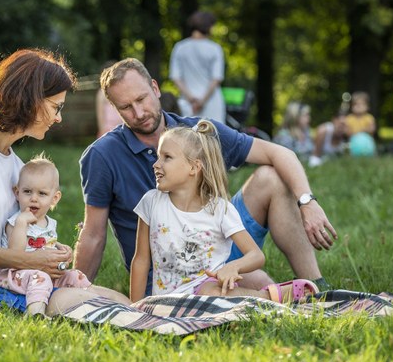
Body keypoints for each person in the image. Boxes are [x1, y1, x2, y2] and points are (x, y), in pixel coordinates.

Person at [75, 58, 336, 294]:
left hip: (216, 244)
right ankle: (286, 295)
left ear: (155, 89)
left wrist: (307, 202)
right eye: (126, 107)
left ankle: (318, 287)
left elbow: (281, 153)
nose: (139, 113)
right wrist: (77, 289)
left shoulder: (198, 131)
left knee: (271, 177)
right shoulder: (103, 155)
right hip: (167, 270)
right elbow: (93, 234)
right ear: (114, 109)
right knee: (258, 283)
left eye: (142, 99)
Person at [0, 49, 130, 316]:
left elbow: (13, 236)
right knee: (93, 304)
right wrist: (28, 260)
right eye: (56, 107)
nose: (58, 118)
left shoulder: (17, 168)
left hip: (12, 284)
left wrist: (48, 252)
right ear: (31, 99)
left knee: (113, 298)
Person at [130, 120, 320, 304]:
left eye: (167, 157)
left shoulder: (220, 209)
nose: (156, 164)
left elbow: (256, 255)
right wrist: (135, 308)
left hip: (206, 291)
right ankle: (260, 295)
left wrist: (232, 267)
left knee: (211, 293)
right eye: (157, 156)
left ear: (194, 167)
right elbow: (140, 260)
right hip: (167, 302)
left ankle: (270, 297)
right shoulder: (151, 203)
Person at [0, 156, 94, 316]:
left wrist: (60, 250)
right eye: (27, 192)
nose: (33, 198)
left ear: (54, 198)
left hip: (43, 274)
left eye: (42, 193)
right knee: (40, 278)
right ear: (17, 192)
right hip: (15, 276)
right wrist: (22, 223)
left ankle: (93, 304)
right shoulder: (15, 222)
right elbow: (15, 254)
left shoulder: (49, 223)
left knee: (75, 275)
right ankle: (35, 314)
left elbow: (46, 245)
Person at [169, 11, 226, 122]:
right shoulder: (214, 48)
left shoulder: (180, 47)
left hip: (187, 103)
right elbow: (216, 78)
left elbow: (176, 77)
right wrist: (202, 102)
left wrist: (191, 99)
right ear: (208, 26)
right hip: (211, 103)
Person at [95, 61, 122, 138]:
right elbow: (100, 114)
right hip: (108, 129)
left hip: (121, 127)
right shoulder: (102, 93)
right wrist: (102, 130)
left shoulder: (122, 91)